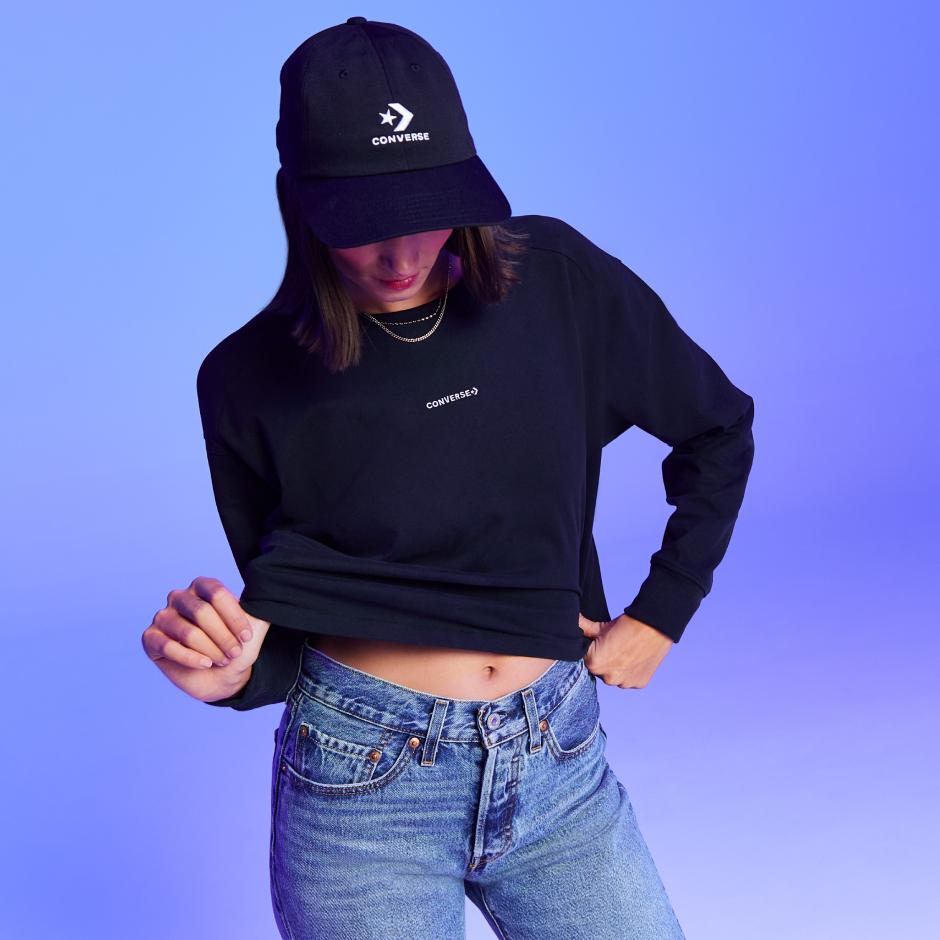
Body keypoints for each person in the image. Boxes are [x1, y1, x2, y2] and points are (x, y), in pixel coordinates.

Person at [142, 17, 755, 940]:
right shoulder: (244, 380)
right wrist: (231, 675)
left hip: (557, 758)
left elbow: (718, 427)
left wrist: (663, 611)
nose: (403, 257)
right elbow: (291, 623)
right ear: (299, 204)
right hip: (362, 791)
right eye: (364, 229)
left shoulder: (557, 281)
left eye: (426, 211)